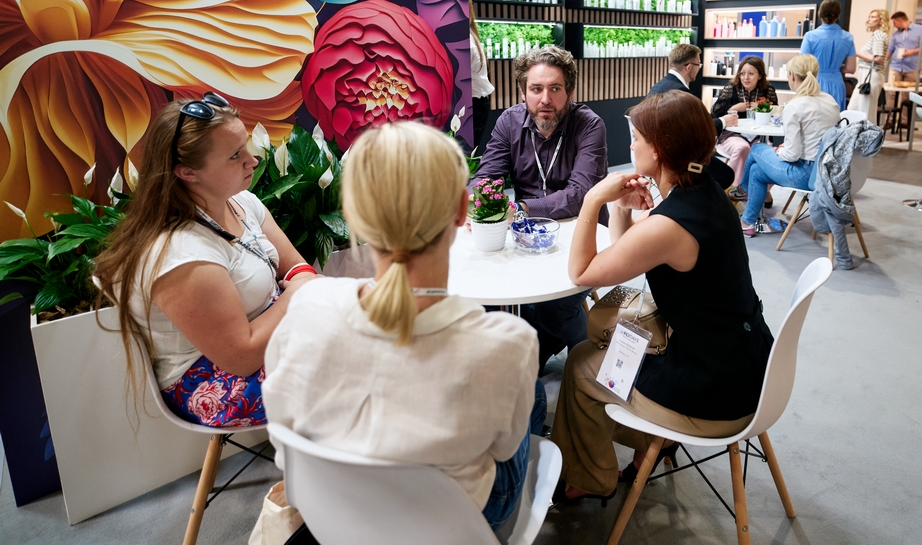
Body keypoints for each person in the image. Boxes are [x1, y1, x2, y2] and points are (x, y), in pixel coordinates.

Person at [262, 122, 541, 530]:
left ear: (352, 215)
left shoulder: (306, 306)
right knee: (533, 393)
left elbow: (282, 427)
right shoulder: (508, 344)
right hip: (456, 522)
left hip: (337, 511)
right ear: (461, 210)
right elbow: (502, 450)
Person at [549, 91, 774, 503]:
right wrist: (621, 209)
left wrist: (593, 199)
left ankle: (589, 479)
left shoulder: (670, 226)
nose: (630, 146)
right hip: (747, 363)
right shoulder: (704, 190)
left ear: (658, 150)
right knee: (610, 334)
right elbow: (629, 249)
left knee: (581, 364)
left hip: (714, 389)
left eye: (635, 138)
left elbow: (580, 272)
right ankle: (646, 445)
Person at [93, 93, 316, 428]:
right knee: (362, 360)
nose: (253, 160)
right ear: (187, 172)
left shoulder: (241, 201)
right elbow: (241, 356)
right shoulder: (181, 252)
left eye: (246, 146)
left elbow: (298, 269)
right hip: (214, 380)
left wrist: (302, 286)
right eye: (235, 155)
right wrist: (298, 294)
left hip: (270, 333)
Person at [473, 45, 606, 371]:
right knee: (487, 299)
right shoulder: (509, 121)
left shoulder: (589, 126)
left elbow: (579, 195)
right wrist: (480, 202)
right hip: (524, 236)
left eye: (555, 89)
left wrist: (519, 207)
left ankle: (590, 367)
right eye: (536, 89)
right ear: (523, 93)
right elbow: (486, 179)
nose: (545, 99)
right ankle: (531, 355)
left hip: (582, 234)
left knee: (554, 309)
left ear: (570, 92)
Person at [736, 55, 841, 237]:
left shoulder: (795, 106)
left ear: (792, 75)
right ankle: (748, 222)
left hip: (804, 174)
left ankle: (741, 189)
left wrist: (781, 151)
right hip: (827, 172)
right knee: (756, 171)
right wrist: (786, 149)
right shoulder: (830, 100)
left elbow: (792, 155)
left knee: (757, 149)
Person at [649, 44, 736, 189]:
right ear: (689, 67)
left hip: (658, 152)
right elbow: (696, 130)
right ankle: (695, 201)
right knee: (726, 175)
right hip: (677, 158)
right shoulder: (680, 92)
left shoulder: (658, 86)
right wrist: (723, 122)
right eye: (698, 64)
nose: (699, 68)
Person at [710, 56, 778, 200]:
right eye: (742, 73)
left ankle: (762, 190)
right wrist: (733, 108)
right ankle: (733, 189)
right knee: (742, 148)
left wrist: (764, 109)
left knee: (770, 154)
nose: (746, 78)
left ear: (760, 75)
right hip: (731, 135)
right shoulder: (731, 89)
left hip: (759, 135)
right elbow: (714, 115)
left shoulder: (768, 90)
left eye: (751, 73)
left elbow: (776, 116)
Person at [800, 0, 857, 109]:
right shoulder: (848, 37)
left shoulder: (810, 36)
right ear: (838, 15)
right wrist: (835, 68)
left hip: (815, 82)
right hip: (837, 83)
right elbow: (851, 68)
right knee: (835, 116)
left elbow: (802, 64)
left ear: (819, 14)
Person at [847, 9, 889, 122]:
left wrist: (856, 53)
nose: (869, 19)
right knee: (854, 108)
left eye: (873, 17)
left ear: (881, 20)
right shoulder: (876, 35)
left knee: (865, 110)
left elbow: (878, 58)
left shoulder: (879, 35)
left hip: (871, 75)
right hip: (866, 75)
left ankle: (867, 132)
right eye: (869, 16)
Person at [468, 2, 496, 147]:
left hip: (474, 103)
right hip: (477, 102)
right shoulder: (470, 36)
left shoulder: (467, 41)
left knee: (466, 152)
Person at [887, 12, 922, 84]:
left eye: (894, 23)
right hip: (895, 67)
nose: (894, 25)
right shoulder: (896, 34)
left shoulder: (921, 30)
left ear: (900, 20)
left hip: (913, 68)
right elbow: (890, 49)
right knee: (891, 89)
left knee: (909, 90)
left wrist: (912, 51)